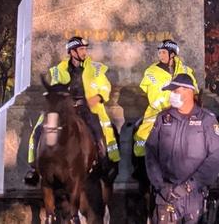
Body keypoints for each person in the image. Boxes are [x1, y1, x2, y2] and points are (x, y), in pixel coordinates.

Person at [24, 36, 119, 185]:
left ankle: (103, 160)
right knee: (39, 129)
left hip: (87, 106)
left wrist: (99, 96)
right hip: (64, 108)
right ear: (72, 52)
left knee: (97, 127)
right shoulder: (58, 70)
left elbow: (106, 86)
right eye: (81, 49)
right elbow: (55, 88)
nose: (84, 52)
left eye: (85, 49)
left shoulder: (96, 68)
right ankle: (35, 168)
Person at [146, 73, 219, 224]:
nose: (172, 95)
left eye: (175, 91)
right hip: (166, 194)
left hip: (194, 195)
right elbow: (151, 152)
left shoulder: (206, 120)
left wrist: (189, 186)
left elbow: (216, 157)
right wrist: (160, 185)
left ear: (188, 92)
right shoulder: (163, 118)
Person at [133, 39, 198, 158]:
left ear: (172, 54)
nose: (160, 55)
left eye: (163, 52)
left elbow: (194, 89)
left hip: (184, 109)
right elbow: (154, 95)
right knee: (143, 134)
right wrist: (168, 106)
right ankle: (141, 162)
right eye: (160, 52)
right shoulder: (151, 72)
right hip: (158, 110)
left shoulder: (185, 70)